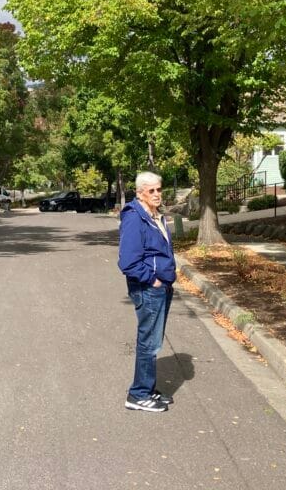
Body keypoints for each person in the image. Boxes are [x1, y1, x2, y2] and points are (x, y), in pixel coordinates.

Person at [118, 171, 176, 413]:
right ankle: (138, 394)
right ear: (140, 193)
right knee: (148, 342)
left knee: (154, 341)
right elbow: (128, 262)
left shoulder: (154, 216)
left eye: (159, 189)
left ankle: (148, 389)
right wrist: (153, 280)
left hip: (162, 286)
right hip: (148, 288)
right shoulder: (135, 218)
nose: (157, 194)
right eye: (151, 190)